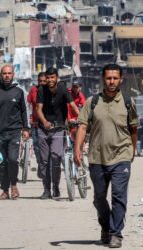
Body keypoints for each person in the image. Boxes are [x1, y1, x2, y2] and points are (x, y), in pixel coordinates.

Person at [74, 64, 138, 248]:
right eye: (109, 78)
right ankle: (106, 226)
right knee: (99, 198)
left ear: (120, 79)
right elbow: (83, 126)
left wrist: (131, 150)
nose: (112, 82)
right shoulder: (92, 102)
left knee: (119, 196)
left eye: (115, 78)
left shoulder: (127, 101)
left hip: (121, 156)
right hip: (97, 157)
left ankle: (116, 233)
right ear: (103, 79)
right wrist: (77, 149)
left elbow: (133, 128)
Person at [0, 64, 30, 200]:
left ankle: (14, 185)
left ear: (13, 75)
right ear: (1, 75)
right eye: (4, 73)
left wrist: (26, 128)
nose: (6, 76)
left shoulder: (19, 92)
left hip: (14, 132)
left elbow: (24, 111)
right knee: (1, 162)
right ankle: (5, 190)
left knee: (12, 160)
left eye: (9, 73)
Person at [36, 67, 79, 200]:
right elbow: (38, 109)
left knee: (56, 157)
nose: (49, 80)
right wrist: (44, 121)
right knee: (43, 161)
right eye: (47, 78)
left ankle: (56, 186)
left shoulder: (63, 90)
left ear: (57, 78)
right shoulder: (41, 90)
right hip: (43, 129)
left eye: (52, 77)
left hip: (59, 128)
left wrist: (82, 118)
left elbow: (73, 105)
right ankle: (46, 189)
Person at [27, 72, 47, 178]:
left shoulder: (50, 91)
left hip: (47, 124)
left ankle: (45, 167)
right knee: (36, 147)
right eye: (40, 81)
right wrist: (29, 117)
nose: (42, 83)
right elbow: (28, 104)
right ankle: (40, 163)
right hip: (35, 124)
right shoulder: (33, 90)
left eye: (44, 81)